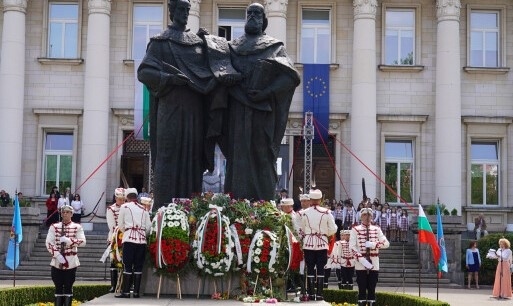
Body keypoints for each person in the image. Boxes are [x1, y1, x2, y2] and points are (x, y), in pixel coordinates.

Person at [137, 0, 236, 206]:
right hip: (170, 108)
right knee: (168, 155)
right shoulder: (160, 42)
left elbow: (214, 69)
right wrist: (169, 78)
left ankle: (190, 208)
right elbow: (144, 72)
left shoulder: (198, 42)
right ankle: (164, 208)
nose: (184, 13)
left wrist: (211, 45)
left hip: (194, 110)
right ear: (171, 11)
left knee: (192, 158)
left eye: (186, 10)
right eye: (180, 9)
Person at [219, 3, 300, 201]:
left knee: (262, 155)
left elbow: (291, 77)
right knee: (237, 157)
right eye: (249, 13)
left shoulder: (274, 47)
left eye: (257, 13)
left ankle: (265, 205)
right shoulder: (232, 47)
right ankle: (236, 204)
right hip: (237, 111)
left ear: (264, 20)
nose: (253, 16)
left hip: (262, 113)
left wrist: (266, 92)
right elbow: (219, 70)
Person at [299, 189, 337, 301]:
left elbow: (300, 229)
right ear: (320, 200)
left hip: (308, 243)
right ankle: (319, 294)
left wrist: (306, 235)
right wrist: (325, 234)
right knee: (321, 268)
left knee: (310, 268)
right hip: (322, 243)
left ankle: (311, 294)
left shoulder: (304, 213)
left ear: (310, 200)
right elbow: (333, 229)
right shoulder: (326, 212)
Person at [45, 204, 86, 306]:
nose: (65, 214)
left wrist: (69, 241)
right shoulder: (54, 227)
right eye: (63, 212)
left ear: (72, 214)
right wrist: (58, 255)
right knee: (58, 286)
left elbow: (83, 242)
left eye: (68, 212)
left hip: (71, 261)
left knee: (68, 286)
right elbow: (49, 242)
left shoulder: (77, 227)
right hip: (57, 261)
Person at [349, 207, 390, 306]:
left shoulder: (376, 229)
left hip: (374, 262)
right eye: (365, 215)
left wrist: (373, 244)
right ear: (361, 217)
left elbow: (386, 243)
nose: (367, 217)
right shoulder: (355, 229)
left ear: (372, 217)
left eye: (369, 215)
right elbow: (352, 247)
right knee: (362, 287)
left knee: (372, 287)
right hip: (361, 262)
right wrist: (362, 260)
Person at [115, 188, 151, 298]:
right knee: (139, 266)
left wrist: (127, 231)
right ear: (136, 196)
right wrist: (143, 234)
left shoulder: (124, 207)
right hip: (141, 240)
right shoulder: (143, 209)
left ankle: (126, 292)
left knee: (128, 266)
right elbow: (149, 227)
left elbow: (120, 224)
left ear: (127, 197)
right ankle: (136, 292)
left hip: (129, 239)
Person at [105, 188, 125, 293]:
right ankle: (113, 285)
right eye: (120, 199)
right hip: (114, 237)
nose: (122, 201)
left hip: (125, 237)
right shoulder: (111, 209)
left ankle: (124, 284)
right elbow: (112, 225)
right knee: (113, 261)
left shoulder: (127, 208)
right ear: (116, 198)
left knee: (125, 261)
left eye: (123, 199)